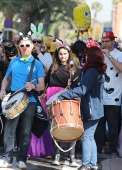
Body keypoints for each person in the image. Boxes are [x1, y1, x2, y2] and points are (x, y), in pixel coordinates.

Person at [0, 31, 45, 169]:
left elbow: (42, 85)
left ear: (32, 46)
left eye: (27, 45)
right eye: (22, 45)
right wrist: (3, 89)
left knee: (25, 131)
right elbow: (6, 78)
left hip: (30, 101)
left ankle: (22, 159)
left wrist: (33, 86)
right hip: (14, 99)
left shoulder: (37, 64)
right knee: (9, 129)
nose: (25, 47)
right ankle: (6, 159)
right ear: (18, 47)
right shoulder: (14, 61)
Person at [56, 45, 107, 170]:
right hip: (97, 109)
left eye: (87, 55)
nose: (84, 57)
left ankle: (85, 165)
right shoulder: (98, 70)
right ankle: (93, 164)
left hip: (91, 109)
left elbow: (83, 89)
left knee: (86, 137)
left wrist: (65, 95)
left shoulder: (92, 72)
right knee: (90, 137)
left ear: (91, 57)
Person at [40, 39, 81, 167]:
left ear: (69, 54)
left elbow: (77, 85)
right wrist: (44, 93)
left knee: (70, 125)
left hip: (67, 97)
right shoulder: (53, 67)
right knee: (54, 126)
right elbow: (47, 82)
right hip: (52, 97)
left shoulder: (74, 68)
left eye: (65, 53)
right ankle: (56, 155)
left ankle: (72, 157)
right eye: (60, 54)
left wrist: (71, 85)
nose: (62, 56)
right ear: (57, 55)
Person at [94, 31, 122, 159]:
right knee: (99, 125)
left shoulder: (120, 55)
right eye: (103, 41)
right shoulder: (99, 55)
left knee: (112, 125)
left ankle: (112, 149)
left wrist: (109, 56)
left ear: (113, 41)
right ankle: (98, 148)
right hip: (99, 96)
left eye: (107, 41)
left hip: (113, 97)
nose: (104, 44)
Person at [0, 41, 20, 147]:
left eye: (13, 51)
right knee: (1, 118)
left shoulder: (23, 63)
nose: (11, 53)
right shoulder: (2, 64)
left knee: (18, 120)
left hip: (19, 94)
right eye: (8, 51)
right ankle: (1, 140)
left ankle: (17, 143)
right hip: (4, 93)